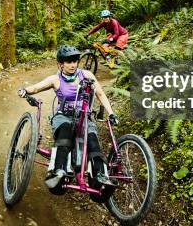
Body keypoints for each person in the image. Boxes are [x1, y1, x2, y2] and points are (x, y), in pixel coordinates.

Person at [17, 45, 118, 190]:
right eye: (68, 62)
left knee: (93, 143)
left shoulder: (87, 75)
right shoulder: (55, 79)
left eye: (75, 61)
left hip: (84, 118)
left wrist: (111, 112)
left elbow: (100, 93)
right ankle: (58, 171)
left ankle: (100, 176)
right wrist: (25, 90)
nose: (72, 65)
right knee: (64, 137)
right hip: (63, 117)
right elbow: (36, 88)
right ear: (61, 64)